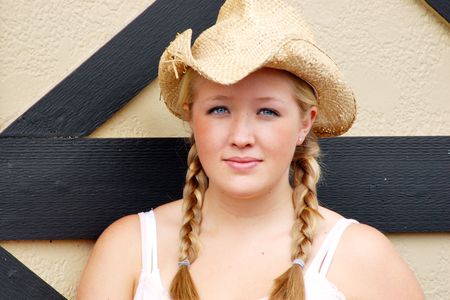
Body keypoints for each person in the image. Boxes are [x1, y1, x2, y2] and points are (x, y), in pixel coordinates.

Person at [77, 0, 425, 299]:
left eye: (267, 112)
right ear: (191, 116)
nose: (241, 136)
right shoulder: (130, 248)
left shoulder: (362, 255)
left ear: (305, 123)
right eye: (219, 109)